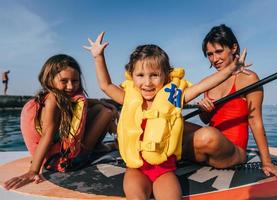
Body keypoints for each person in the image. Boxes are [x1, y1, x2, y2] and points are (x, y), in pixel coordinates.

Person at [84, 32, 247, 200]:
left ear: (165, 76)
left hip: (164, 170)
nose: (147, 83)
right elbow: (106, 85)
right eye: (140, 75)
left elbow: (199, 87)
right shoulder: (128, 97)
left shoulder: (173, 97)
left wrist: (230, 70)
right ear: (132, 76)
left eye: (154, 75)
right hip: (136, 169)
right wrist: (98, 57)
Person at [182, 24, 277, 190]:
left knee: (206, 135)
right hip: (212, 143)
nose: (214, 59)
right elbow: (207, 120)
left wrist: (267, 163)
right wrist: (205, 109)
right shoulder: (210, 81)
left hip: (233, 151)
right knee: (174, 124)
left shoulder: (248, 79)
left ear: (233, 48)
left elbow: (256, 122)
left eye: (219, 51)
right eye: (210, 54)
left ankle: (177, 152)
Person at [4, 54, 117, 190]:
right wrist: (33, 171)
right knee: (106, 112)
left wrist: (103, 103)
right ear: (49, 79)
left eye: (75, 81)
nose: (70, 86)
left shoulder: (61, 97)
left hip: (64, 156)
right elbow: (47, 135)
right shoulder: (52, 100)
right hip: (66, 162)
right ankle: (104, 147)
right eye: (64, 81)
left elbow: (86, 102)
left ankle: (102, 147)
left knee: (102, 107)